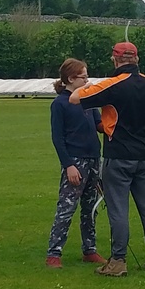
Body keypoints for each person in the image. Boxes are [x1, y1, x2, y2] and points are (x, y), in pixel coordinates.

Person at [69, 41, 145, 276]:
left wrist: (87, 86)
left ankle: (118, 260)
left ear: (115, 60)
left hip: (118, 156)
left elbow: (75, 99)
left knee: (118, 208)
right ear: (137, 59)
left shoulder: (113, 84)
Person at [46, 58, 105, 268]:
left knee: (91, 208)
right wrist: (68, 164)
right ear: (71, 79)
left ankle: (89, 249)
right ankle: (54, 252)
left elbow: (99, 124)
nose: (87, 80)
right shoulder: (60, 104)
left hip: (94, 159)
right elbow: (57, 138)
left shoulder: (87, 100)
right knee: (66, 208)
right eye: (83, 77)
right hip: (75, 161)